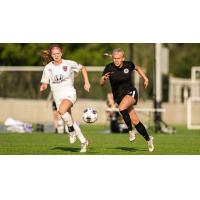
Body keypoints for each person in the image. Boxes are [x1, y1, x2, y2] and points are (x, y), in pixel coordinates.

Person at [100, 48, 154, 152]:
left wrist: (145, 78)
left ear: (123, 58)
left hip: (131, 93)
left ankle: (130, 130)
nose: (116, 60)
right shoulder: (109, 67)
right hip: (119, 98)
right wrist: (104, 78)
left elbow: (137, 68)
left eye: (118, 58)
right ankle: (148, 139)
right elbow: (101, 84)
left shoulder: (128, 65)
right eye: (115, 58)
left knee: (121, 108)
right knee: (135, 121)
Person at [40, 44, 90, 153]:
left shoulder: (68, 63)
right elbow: (45, 81)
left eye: (58, 53)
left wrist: (86, 82)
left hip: (69, 93)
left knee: (61, 111)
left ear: (61, 53)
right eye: (54, 54)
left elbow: (83, 68)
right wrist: (44, 85)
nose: (56, 55)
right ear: (51, 55)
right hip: (57, 97)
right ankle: (83, 141)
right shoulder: (48, 67)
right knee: (70, 120)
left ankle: (71, 132)